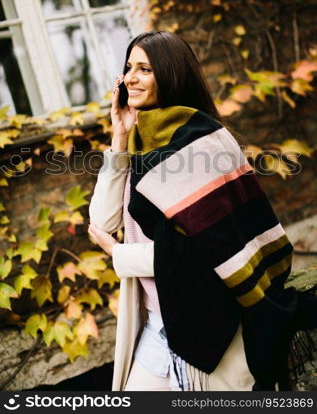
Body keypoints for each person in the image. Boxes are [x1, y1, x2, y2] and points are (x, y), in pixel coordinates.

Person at [89, 31, 317, 392]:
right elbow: (102, 222)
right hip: (155, 328)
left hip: (210, 326)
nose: (130, 77)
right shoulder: (139, 143)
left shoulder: (205, 140)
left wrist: (122, 255)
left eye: (144, 69)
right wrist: (118, 139)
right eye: (128, 67)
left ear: (172, 74)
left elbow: (210, 253)